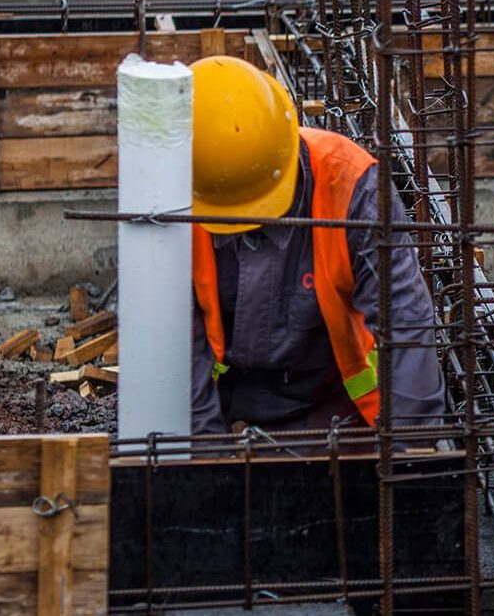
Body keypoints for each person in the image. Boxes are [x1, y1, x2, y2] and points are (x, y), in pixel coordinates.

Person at [186, 56, 447, 435]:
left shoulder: (353, 188)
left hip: (331, 406)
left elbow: (405, 322)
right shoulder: (182, 193)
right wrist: (205, 465)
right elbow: (179, 349)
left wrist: (412, 454)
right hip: (221, 403)